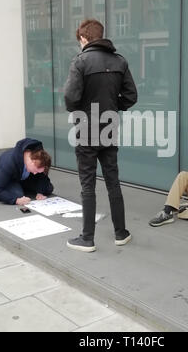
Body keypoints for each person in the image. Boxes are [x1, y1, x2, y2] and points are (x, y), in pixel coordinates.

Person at [64, 19, 137, 252]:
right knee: (113, 181)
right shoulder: (120, 61)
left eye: (80, 40)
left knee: (88, 185)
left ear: (84, 38)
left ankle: (87, 238)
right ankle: (121, 233)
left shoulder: (80, 62)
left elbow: (70, 98)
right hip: (109, 128)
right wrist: (114, 107)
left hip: (86, 129)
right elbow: (131, 96)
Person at [0, 138, 53, 206]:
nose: (35, 173)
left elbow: (43, 177)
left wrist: (40, 192)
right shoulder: (9, 162)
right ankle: (18, 190)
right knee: (17, 195)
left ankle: (21, 188)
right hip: (6, 180)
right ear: (32, 162)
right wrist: (16, 201)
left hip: (21, 178)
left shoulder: (38, 156)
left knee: (48, 188)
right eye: (35, 171)